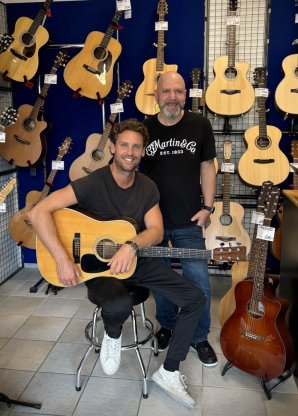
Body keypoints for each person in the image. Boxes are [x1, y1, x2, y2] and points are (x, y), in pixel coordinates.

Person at [28, 119, 206, 408]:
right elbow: (39, 212)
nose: (130, 152)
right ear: (112, 147)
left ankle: (169, 371)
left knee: (195, 298)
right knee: (118, 303)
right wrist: (62, 258)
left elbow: (157, 230)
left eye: (137, 146)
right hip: (98, 270)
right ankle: (112, 335)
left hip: (136, 261)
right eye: (124, 145)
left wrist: (131, 245)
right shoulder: (94, 182)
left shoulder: (147, 186)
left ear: (143, 152)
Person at [142, 72, 218, 367]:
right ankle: (168, 327)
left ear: (185, 94)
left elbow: (207, 167)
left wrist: (208, 208)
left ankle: (199, 336)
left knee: (199, 282)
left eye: (178, 91)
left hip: (190, 219)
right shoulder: (145, 128)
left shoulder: (200, 124)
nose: (172, 97)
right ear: (157, 94)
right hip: (154, 221)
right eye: (167, 91)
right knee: (161, 281)